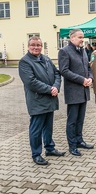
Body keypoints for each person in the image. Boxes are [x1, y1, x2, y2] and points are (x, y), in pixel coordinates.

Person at [19, 36, 65, 165]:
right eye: (33, 45)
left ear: (41, 46)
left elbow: (57, 73)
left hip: (50, 99)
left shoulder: (46, 59)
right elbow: (31, 82)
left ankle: (50, 148)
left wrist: (56, 86)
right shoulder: (25, 62)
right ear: (28, 46)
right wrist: (50, 89)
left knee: (48, 127)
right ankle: (36, 154)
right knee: (36, 129)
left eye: (38, 45)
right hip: (37, 101)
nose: (36, 47)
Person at [58, 29, 94, 156]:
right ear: (72, 38)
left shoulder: (83, 50)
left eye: (82, 37)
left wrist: (90, 78)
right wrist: (82, 80)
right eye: (79, 37)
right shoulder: (64, 51)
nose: (82, 39)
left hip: (84, 91)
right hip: (73, 92)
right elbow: (64, 71)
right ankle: (72, 145)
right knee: (72, 120)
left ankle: (79, 140)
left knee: (80, 119)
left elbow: (89, 67)